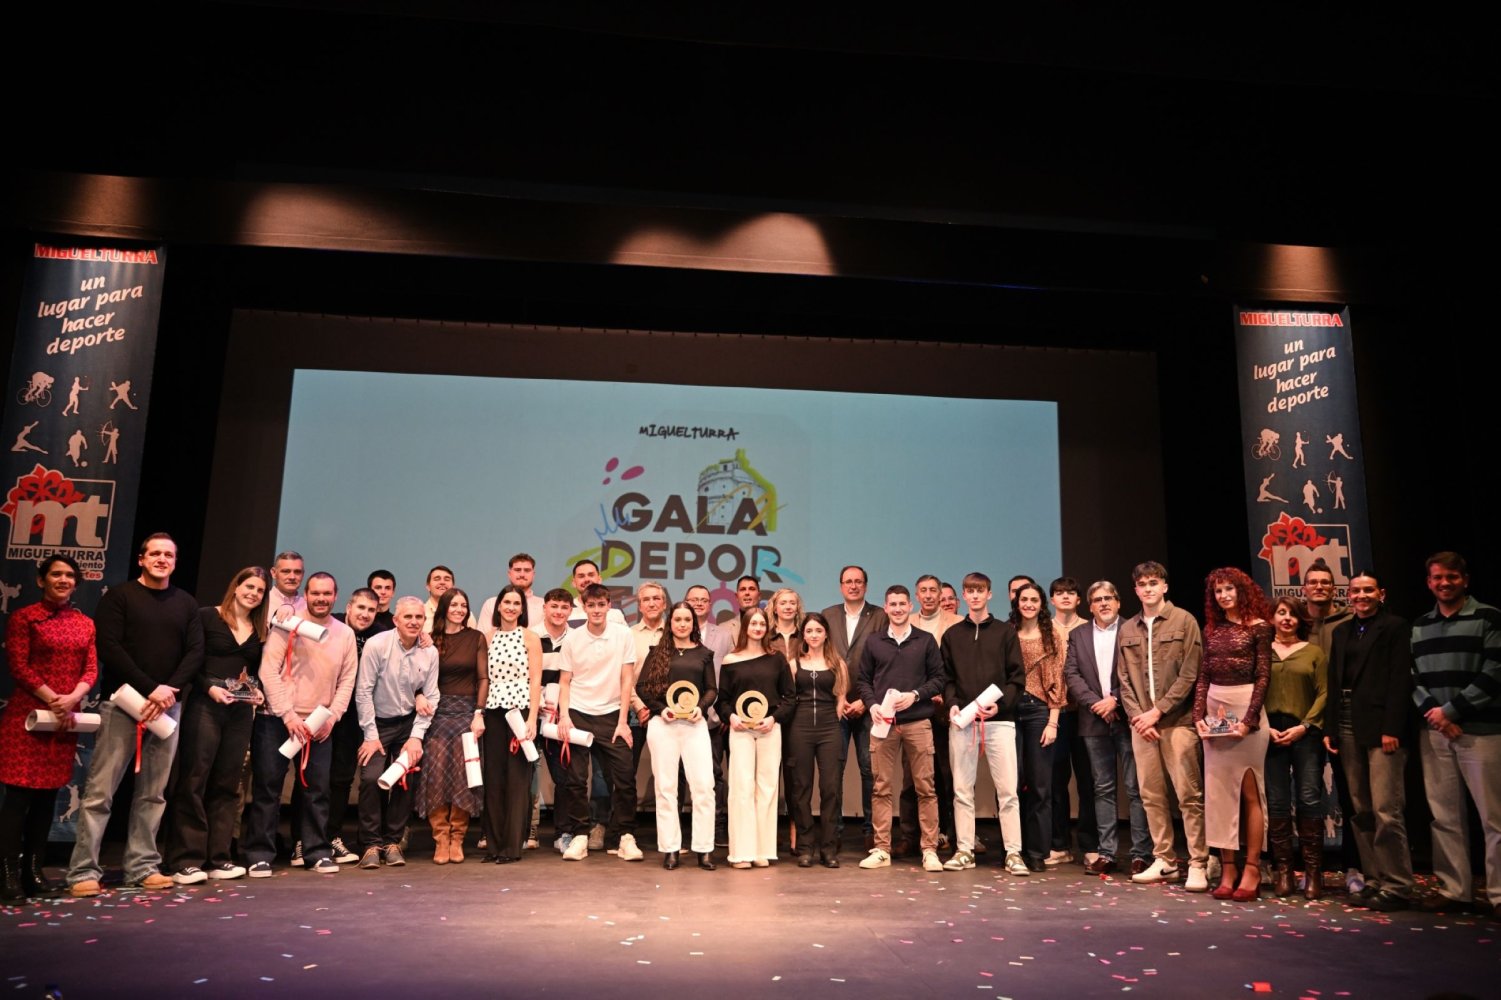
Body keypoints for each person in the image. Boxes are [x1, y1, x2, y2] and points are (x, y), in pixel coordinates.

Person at [68, 534, 204, 898]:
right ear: (141, 559)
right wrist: (151, 688)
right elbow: (109, 647)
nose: (162, 559)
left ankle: (142, 866)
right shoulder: (119, 597)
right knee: (100, 792)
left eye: (168, 554)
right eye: (154, 553)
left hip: (167, 707)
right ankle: (83, 870)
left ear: (175, 561)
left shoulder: (186, 603)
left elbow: (195, 652)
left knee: (154, 794)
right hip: (124, 704)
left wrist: (169, 690)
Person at [244, 572, 358, 877]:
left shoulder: (345, 634)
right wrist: (288, 715)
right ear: (305, 595)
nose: (321, 598)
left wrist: (333, 716)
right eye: (315, 593)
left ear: (335, 596)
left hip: (318, 724)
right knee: (268, 788)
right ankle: (259, 854)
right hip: (277, 720)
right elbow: (268, 672)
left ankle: (316, 851)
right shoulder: (287, 624)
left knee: (317, 790)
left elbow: (347, 679)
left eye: (327, 594)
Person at [164, 567, 269, 885]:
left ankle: (218, 858)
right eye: (249, 586)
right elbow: (190, 662)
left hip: (239, 712)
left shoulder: (258, 629)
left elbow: (250, 672)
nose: (254, 593)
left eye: (260, 590)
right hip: (206, 706)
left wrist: (257, 690)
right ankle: (186, 860)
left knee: (227, 783)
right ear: (236, 587)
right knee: (194, 779)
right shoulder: (207, 616)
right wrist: (209, 687)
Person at [1, 555, 97, 901]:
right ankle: (8, 875)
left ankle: (34, 871)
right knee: (18, 799)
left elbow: (91, 670)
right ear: (42, 580)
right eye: (56, 574)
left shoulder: (85, 623)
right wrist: (52, 698)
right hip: (28, 718)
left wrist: (71, 698)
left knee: (46, 800)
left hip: (62, 720)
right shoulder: (24, 617)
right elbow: (18, 666)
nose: (63, 580)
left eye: (69, 575)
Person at [1411, 552, 1501, 915]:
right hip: (1435, 733)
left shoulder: (1489, 617)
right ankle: (1454, 889)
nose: (1444, 583)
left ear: (1465, 580)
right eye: (1437, 578)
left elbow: (1495, 672)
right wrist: (1438, 716)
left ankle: (1499, 894)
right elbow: (1413, 678)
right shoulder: (1420, 625)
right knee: (1444, 816)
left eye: (1451, 577)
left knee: (1494, 818)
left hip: (1482, 732)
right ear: (1428, 582)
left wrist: (1451, 711)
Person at [1324, 571, 1416, 911]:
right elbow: (1334, 681)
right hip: (1347, 722)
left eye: (1368, 590)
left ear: (1381, 594)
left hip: (1381, 726)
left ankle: (1397, 885)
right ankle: (1375, 879)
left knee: (1386, 809)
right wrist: (1331, 727)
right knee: (1360, 808)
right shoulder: (1342, 631)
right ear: (1348, 596)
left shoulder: (1394, 627)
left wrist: (1393, 727)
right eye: (1355, 591)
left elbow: (1400, 679)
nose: (1361, 596)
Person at [1116, 561, 1209, 891]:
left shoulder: (1184, 620)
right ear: (1136, 589)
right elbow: (1124, 680)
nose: (1148, 588)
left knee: (1189, 795)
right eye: (1142, 584)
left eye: (1153, 582)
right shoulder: (1128, 629)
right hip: (1142, 726)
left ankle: (1198, 862)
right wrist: (1139, 717)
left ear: (1165, 586)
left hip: (1177, 722)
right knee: (1151, 796)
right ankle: (1165, 860)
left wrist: (1157, 712)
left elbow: (1190, 673)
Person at [1193, 568, 1272, 901]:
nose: (1224, 595)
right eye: (1218, 591)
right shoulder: (1211, 629)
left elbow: (1264, 676)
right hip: (1216, 710)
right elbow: (1203, 676)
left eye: (1229, 589)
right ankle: (1228, 868)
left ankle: (1252, 867)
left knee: (1250, 791)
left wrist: (1249, 720)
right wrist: (1198, 717)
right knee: (1219, 794)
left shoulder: (1259, 627)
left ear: (1242, 591)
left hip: (1246, 707)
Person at [1064, 580, 1151, 877]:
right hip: (1093, 721)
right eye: (1097, 599)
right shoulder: (1078, 635)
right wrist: (1096, 704)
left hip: (1129, 718)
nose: (1103, 603)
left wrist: (1114, 700)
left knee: (1135, 788)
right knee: (1102, 788)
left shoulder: (1133, 629)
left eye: (1108, 598)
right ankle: (1107, 853)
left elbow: (1140, 671)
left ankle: (1141, 854)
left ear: (1118, 602)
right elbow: (1072, 675)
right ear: (1089, 606)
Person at [856, 585, 946, 872]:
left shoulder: (925, 640)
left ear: (910, 607)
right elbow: (863, 680)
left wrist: (915, 695)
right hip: (883, 723)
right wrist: (871, 705)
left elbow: (939, 678)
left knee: (925, 788)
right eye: (892, 604)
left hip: (918, 722)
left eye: (901, 604)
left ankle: (929, 850)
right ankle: (882, 849)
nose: (897, 609)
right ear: (886, 608)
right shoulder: (874, 641)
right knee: (881, 787)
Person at [940, 572, 1025, 873]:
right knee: (962, 790)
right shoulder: (952, 635)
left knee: (1008, 791)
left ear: (989, 595)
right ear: (963, 596)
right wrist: (952, 704)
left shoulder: (1005, 633)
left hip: (1000, 722)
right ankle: (964, 850)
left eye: (980, 591)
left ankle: (1013, 853)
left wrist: (1000, 706)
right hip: (963, 722)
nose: (975, 596)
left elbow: (1017, 678)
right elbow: (947, 678)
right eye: (970, 591)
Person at [556, 583, 641, 862]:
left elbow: (627, 678)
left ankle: (625, 836)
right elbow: (565, 681)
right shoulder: (573, 638)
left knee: (625, 777)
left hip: (612, 714)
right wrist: (565, 716)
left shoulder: (622, 634)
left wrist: (623, 721)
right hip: (578, 713)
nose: (596, 610)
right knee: (576, 780)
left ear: (609, 606)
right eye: (591, 605)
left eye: (601, 605)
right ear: (583, 606)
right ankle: (580, 834)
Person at [636, 601, 718, 870]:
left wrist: (700, 708)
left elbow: (711, 689)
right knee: (666, 788)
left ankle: (704, 850)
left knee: (703, 787)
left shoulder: (704, 654)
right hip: (663, 725)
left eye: (687, 620)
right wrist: (661, 709)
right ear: (669, 623)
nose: (682, 624)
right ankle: (670, 848)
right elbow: (642, 687)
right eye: (677, 619)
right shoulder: (656, 652)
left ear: (694, 624)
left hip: (694, 725)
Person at [720, 606, 794, 868]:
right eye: (753, 624)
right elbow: (722, 700)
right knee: (741, 787)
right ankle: (741, 853)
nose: (758, 628)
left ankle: (762, 850)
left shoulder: (777, 659)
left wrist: (774, 719)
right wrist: (731, 717)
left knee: (767, 788)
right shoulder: (730, 660)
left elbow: (789, 697)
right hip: (740, 730)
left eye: (762, 624)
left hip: (769, 729)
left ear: (767, 628)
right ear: (745, 627)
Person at [1264, 596, 1328, 899]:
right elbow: (1252, 691)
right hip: (1270, 733)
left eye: (1292, 614)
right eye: (1281, 613)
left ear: (1301, 619)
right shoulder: (1262, 651)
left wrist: (1305, 726)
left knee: (1309, 799)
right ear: (1272, 618)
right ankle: (1284, 872)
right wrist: (1263, 726)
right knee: (1277, 802)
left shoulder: (1314, 652)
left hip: (1306, 733)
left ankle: (1313, 873)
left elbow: (1324, 693)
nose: (1287, 618)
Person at [1302, 558, 1360, 892]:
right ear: (1304, 588)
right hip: (1305, 720)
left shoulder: (1350, 621)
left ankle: (1355, 866)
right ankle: (1312, 870)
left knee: (1351, 796)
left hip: (1342, 720)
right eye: (1313, 582)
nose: (1319, 587)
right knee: (1307, 798)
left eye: (1325, 582)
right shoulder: (1296, 622)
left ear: (1334, 589)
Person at [419, 588, 488, 863]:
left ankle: (457, 837)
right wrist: (418, 695)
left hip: (466, 712)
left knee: (462, 773)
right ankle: (441, 838)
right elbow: (418, 675)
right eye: (454, 604)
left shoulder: (476, 637)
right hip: (436, 713)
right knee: (435, 773)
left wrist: (478, 713)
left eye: (463, 605)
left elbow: (483, 678)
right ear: (444, 608)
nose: (459, 609)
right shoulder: (429, 639)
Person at [479, 585, 543, 864]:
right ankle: (494, 845)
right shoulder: (488, 637)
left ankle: (511, 847)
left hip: (520, 711)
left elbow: (536, 680)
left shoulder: (530, 637)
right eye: (507, 602)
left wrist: (532, 718)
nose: (511, 607)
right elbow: (483, 678)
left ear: (522, 609)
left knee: (517, 780)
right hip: (493, 710)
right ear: (498, 606)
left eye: (516, 603)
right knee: (493, 778)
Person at [823, 565, 885, 851]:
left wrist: (865, 700)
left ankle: (872, 833)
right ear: (841, 586)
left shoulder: (880, 616)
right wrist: (839, 697)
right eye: (848, 581)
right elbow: (822, 656)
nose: (853, 585)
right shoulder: (828, 615)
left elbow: (886, 663)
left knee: (869, 769)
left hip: (869, 705)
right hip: (835, 703)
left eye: (858, 581)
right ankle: (833, 833)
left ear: (866, 586)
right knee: (833, 770)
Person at [1011, 581, 1068, 873]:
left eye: (1034, 599)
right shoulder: (1008, 633)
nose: (1029, 604)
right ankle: (1013, 849)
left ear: (1042, 604)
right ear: (1017, 602)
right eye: (1024, 599)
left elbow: (1058, 680)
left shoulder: (1052, 636)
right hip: (1009, 710)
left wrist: (1053, 722)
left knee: (1040, 785)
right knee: (1012, 783)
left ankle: (1036, 851)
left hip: (1039, 713)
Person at [785, 612, 849, 868]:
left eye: (818, 631)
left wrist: (832, 721)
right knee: (801, 788)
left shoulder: (837, 664)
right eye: (809, 631)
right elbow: (788, 697)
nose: (813, 635)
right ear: (803, 635)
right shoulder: (794, 664)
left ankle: (829, 848)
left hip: (829, 729)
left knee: (831, 788)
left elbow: (841, 698)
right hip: (799, 728)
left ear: (826, 634)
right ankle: (805, 848)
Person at [1048, 576, 1096, 867]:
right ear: (1052, 599)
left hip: (1086, 713)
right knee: (1055, 781)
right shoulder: (1043, 628)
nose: (1065, 596)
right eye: (1059, 592)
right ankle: (1059, 844)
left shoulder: (1090, 628)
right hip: (1056, 714)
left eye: (1070, 593)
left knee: (1088, 781)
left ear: (1079, 599)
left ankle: (1090, 845)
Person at [686, 584, 734, 847]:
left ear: (710, 604)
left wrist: (727, 711)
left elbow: (732, 673)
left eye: (703, 600)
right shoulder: (677, 631)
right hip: (681, 717)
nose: (698, 603)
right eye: (693, 599)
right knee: (683, 776)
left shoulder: (724, 635)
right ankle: (686, 832)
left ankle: (717, 828)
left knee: (714, 774)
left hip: (713, 718)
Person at [531, 588, 576, 851]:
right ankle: (526, 830)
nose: (558, 612)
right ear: (544, 607)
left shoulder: (577, 638)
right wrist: (535, 700)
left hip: (561, 717)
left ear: (571, 610)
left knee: (564, 777)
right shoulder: (531, 636)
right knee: (525, 777)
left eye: (564, 607)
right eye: (554, 606)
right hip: (530, 715)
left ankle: (564, 833)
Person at [476, 553, 546, 640]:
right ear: (509, 574)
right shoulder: (491, 603)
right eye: (517, 570)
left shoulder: (544, 605)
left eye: (527, 570)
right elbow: (482, 640)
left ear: (533, 575)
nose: (522, 574)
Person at [423, 565, 474, 631]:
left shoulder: (465, 615)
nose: (442, 582)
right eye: (437, 579)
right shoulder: (419, 613)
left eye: (447, 579)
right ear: (428, 586)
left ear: (453, 587)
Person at [266, 551, 306, 623]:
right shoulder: (262, 602)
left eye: (297, 572)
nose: (292, 577)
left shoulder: (307, 606)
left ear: (303, 574)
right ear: (274, 573)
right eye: (286, 571)